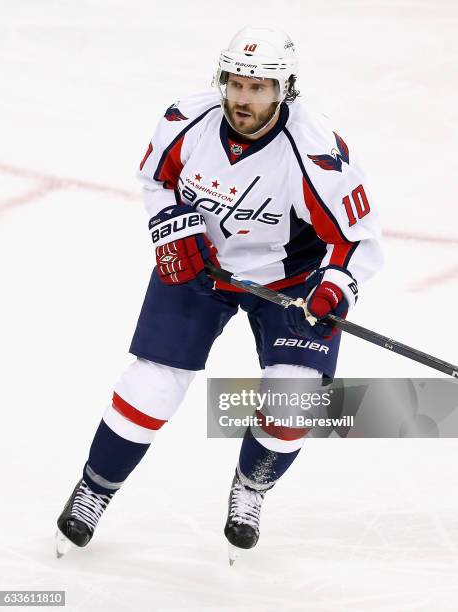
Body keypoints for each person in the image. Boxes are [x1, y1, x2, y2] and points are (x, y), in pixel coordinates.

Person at [56, 26, 383, 562]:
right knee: (151, 383)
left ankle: (251, 487)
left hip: (288, 280)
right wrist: (172, 227)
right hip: (199, 269)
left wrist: (332, 290)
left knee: (294, 397)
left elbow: (354, 238)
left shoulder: (318, 152)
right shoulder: (188, 120)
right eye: (235, 82)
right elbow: (155, 179)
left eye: (258, 87)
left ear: (285, 90)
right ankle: (95, 487)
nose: (241, 97)